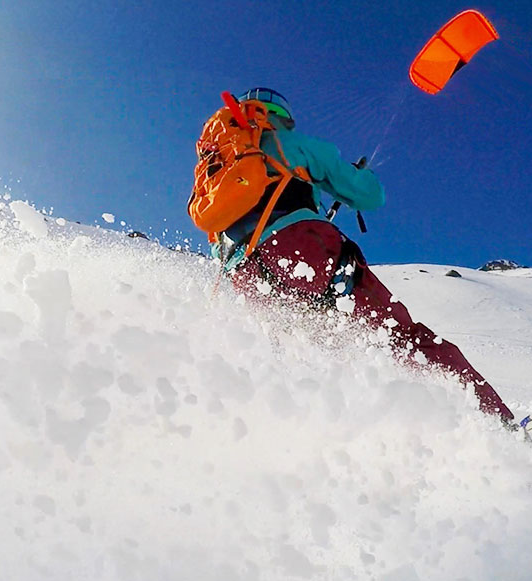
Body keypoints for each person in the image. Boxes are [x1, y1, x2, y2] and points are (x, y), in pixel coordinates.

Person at [192, 87, 514, 423]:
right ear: (281, 117)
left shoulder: (214, 173)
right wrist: (362, 176)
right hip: (307, 250)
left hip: (246, 276)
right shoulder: (292, 145)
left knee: (302, 358)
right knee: (402, 338)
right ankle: (494, 422)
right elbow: (370, 196)